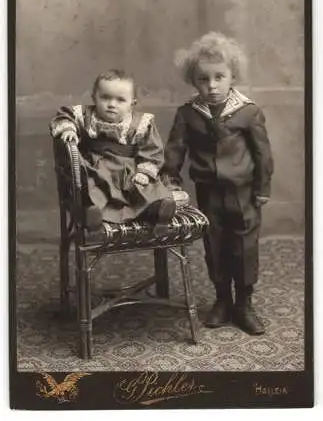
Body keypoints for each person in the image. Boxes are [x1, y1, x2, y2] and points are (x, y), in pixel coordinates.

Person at [162, 32, 274, 335]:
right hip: (208, 190)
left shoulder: (248, 111)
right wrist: (170, 179)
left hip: (244, 191)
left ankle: (244, 303)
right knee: (215, 243)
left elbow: (262, 153)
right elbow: (175, 149)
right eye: (203, 79)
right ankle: (222, 299)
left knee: (245, 245)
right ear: (193, 80)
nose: (211, 86)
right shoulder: (188, 113)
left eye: (219, 77)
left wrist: (262, 189)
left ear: (232, 76)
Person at [50, 69, 176, 234]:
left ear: (132, 103)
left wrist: (144, 172)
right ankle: (91, 215)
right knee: (90, 187)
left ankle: (158, 211)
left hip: (128, 172)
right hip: (97, 169)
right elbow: (63, 116)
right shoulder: (84, 115)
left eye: (120, 100)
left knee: (147, 189)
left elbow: (152, 150)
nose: (112, 104)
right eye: (105, 97)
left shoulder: (140, 123)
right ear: (94, 97)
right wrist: (69, 129)